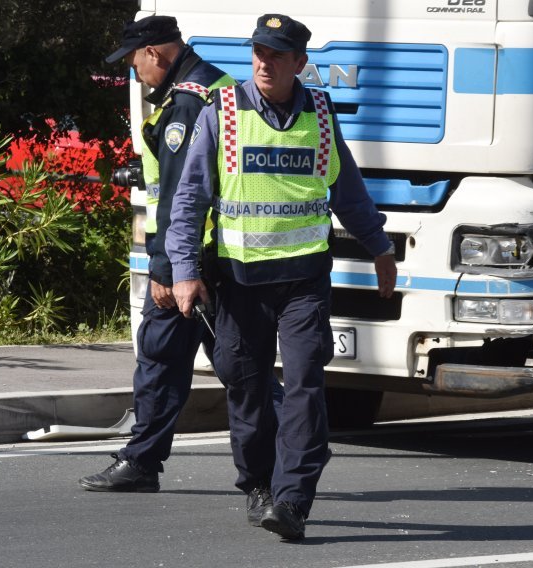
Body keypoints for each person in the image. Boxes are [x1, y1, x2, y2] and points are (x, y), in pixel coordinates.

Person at [166, 14, 397, 539]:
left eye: (276, 54)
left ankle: (292, 498)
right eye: (258, 52)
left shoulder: (319, 110)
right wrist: (183, 271)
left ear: (300, 63)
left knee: (305, 386)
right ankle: (258, 483)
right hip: (239, 282)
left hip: (304, 282)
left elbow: (348, 191)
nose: (264, 62)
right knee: (246, 390)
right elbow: (189, 200)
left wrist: (380, 247)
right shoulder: (221, 112)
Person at [78, 15, 239, 493]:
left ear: (154, 53)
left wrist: (167, 269)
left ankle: (142, 462)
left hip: (190, 258)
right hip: (216, 254)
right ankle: (296, 440)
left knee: (163, 360)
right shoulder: (217, 86)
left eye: (133, 63)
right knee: (230, 363)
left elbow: (175, 194)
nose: (134, 73)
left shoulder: (186, 103)